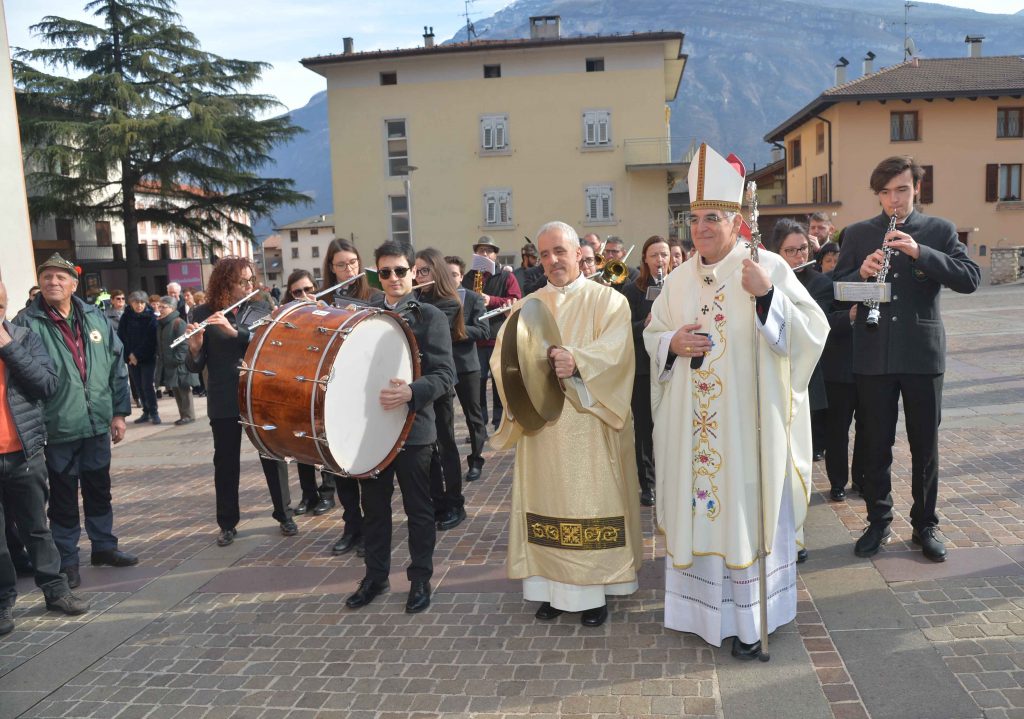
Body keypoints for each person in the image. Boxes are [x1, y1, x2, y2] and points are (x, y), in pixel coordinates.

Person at [644, 144, 828, 658]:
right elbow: (653, 334)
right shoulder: (677, 279)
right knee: (702, 509)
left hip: (749, 433)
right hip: (695, 432)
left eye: (712, 217)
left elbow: (814, 332)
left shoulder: (765, 266)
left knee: (745, 514)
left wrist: (768, 296)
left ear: (734, 220)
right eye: (694, 217)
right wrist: (670, 344)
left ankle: (751, 624)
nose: (701, 227)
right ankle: (700, 614)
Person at [491, 221, 642, 628]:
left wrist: (578, 362)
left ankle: (593, 592)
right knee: (546, 503)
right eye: (544, 254)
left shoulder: (608, 301)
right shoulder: (528, 304)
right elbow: (501, 357)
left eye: (560, 251)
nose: (553, 260)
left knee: (587, 501)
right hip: (541, 428)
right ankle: (549, 590)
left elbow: (616, 355)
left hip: (589, 424)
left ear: (579, 253)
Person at [833, 155, 980, 562]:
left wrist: (922, 254)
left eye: (901, 189)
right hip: (873, 355)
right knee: (875, 444)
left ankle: (925, 524)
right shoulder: (859, 233)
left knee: (924, 445)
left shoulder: (940, 230)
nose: (893, 199)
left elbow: (970, 279)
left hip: (921, 355)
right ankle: (878, 521)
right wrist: (860, 275)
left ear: (917, 188)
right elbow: (836, 289)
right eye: (884, 192)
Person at [15, 253, 139, 590]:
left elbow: (116, 367)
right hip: (57, 428)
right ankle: (67, 560)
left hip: (97, 423)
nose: (52, 282)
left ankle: (104, 546)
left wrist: (118, 413)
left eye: (60, 277)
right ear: (39, 283)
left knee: (99, 490)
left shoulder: (95, 317)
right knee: (64, 498)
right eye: (47, 277)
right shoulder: (27, 322)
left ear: (73, 283)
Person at [344, 241, 455, 614]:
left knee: (419, 510)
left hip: (414, 428)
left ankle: (420, 579)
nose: (393, 278)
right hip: (372, 429)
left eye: (401, 271)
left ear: (414, 272)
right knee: (373, 509)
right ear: (377, 274)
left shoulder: (431, 317)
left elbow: (445, 375)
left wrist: (411, 391)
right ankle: (375, 577)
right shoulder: (363, 314)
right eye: (385, 272)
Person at [185, 257, 298, 547]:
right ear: (225, 283)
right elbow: (195, 366)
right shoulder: (202, 311)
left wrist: (236, 333)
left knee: (271, 454)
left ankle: (284, 514)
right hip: (223, 396)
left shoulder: (261, 308)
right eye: (242, 282)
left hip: (258, 393)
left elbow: (272, 346)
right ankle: (226, 523)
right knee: (225, 462)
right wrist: (195, 348)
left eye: (251, 280)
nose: (249, 286)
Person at [0, 280, 90, 636]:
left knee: (37, 527)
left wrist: (7, 347)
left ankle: (55, 591)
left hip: (24, 452)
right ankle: (4, 602)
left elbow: (46, 384)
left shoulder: (23, 337)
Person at [322, 240, 384, 554]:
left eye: (353, 263)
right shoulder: (324, 300)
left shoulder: (374, 296)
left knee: (366, 462)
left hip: (364, 387)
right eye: (342, 265)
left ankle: (372, 530)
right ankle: (351, 526)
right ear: (331, 269)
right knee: (337, 463)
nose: (350, 269)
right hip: (332, 389)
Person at [414, 248, 478, 531]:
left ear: (437, 272)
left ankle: (455, 503)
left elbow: (422, 326)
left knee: (445, 444)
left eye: (424, 271)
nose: (418, 276)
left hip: (439, 382)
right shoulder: (414, 299)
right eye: (415, 271)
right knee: (427, 449)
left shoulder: (448, 303)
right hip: (416, 382)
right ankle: (437, 502)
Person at [771, 220, 832, 465]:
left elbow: (815, 327)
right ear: (777, 254)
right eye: (791, 251)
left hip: (806, 373)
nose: (799, 256)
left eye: (803, 249)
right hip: (774, 370)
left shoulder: (819, 283)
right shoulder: (766, 279)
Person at [620, 236, 670, 508]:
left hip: (672, 367)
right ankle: (647, 484)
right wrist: (645, 323)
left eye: (664, 254)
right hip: (642, 368)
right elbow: (624, 329)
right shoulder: (632, 290)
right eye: (654, 255)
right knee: (643, 429)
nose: (660, 260)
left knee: (672, 424)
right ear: (645, 259)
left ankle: (672, 479)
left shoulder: (679, 286)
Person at [283, 270, 333, 518]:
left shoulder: (329, 312)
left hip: (321, 384)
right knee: (300, 439)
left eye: (308, 289)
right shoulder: (286, 315)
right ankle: (308, 494)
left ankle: (328, 493)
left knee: (323, 437)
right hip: (296, 384)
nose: (304, 295)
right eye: (297, 292)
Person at [461, 237, 521, 431]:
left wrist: (491, 300)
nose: (485, 254)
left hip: (498, 336)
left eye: (489, 251)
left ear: (495, 255)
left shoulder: (506, 276)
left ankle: (499, 423)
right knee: (476, 386)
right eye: (481, 250)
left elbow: (516, 300)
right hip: (476, 340)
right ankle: (479, 427)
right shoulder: (469, 277)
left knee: (499, 383)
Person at [445, 256, 490, 483]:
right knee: (445, 418)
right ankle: (448, 463)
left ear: (461, 276)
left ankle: (476, 460)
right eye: (446, 274)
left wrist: (459, 331)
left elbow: (483, 330)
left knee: (473, 416)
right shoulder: (434, 299)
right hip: (442, 366)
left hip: (466, 365)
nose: (450, 278)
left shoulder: (473, 298)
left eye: (454, 274)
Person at [118, 291, 161, 425]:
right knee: (138, 386)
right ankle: (146, 411)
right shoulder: (126, 317)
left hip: (146, 357)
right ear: (131, 303)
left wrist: (137, 354)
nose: (139, 305)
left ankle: (154, 412)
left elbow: (150, 340)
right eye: (136, 302)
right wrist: (129, 355)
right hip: (131, 358)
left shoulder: (151, 318)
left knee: (147, 385)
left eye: (142, 302)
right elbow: (121, 337)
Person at [154, 296, 197, 426]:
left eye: (163, 307)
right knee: (176, 390)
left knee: (184, 389)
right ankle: (183, 415)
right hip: (169, 364)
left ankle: (189, 415)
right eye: (159, 306)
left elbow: (184, 345)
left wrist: (176, 359)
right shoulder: (163, 324)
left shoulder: (178, 322)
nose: (160, 309)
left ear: (172, 308)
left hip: (179, 364)